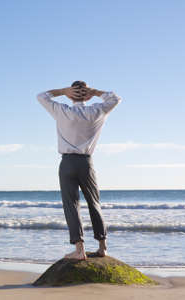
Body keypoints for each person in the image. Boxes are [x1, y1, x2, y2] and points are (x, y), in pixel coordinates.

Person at [36, 81, 121, 260]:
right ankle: (102, 247)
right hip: (86, 162)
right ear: (87, 95)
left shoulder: (62, 110)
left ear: (70, 95)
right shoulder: (96, 111)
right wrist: (96, 92)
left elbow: (41, 96)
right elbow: (115, 98)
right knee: (94, 203)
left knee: (71, 205)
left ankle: (79, 249)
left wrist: (62, 90)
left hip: (67, 162)